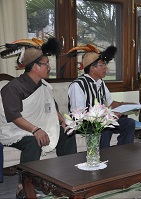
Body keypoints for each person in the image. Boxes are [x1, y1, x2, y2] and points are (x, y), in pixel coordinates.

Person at [0, 38, 77, 198]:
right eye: (46, 64)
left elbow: (51, 109)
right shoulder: (13, 88)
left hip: (38, 126)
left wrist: (63, 122)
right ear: (35, 66)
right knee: (33, 142)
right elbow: (14, 117)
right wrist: (35, 130)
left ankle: (67, 178)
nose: (49, 67)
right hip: (14, 130)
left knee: (68, 133)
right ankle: (23, 186)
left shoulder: (44, 86)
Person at [68, 45, 135, 149]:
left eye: (105, 65)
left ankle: (123, 153)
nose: (105, 68)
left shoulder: (100, 83)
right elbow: (79, 114)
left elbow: (110, 103)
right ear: (92, 68)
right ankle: (103, 156)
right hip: (85, 124)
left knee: (129, 123)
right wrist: (106, 117)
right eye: (102, 65)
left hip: (101, 121)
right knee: (106, 127)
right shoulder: (78, 85)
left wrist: (127, 105)